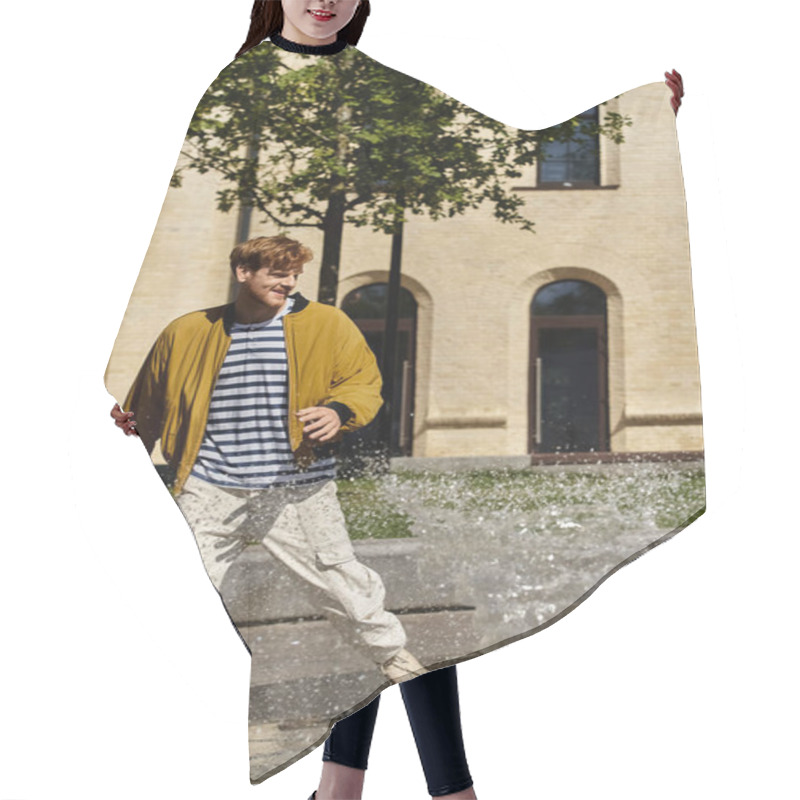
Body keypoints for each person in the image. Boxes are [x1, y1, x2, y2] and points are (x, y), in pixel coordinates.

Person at [112, 233, 426, 686]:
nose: (289, 284)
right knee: (180, 586)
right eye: (278, 274)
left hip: (298, 484)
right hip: (210, 482)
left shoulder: (327, 324)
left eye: (295, 275)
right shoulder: (188, 332)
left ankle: (396, 661)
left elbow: (362, 383)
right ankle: (163, 680)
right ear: (244, 273)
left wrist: (338, 412)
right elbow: (144, 409)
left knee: (340, 583)